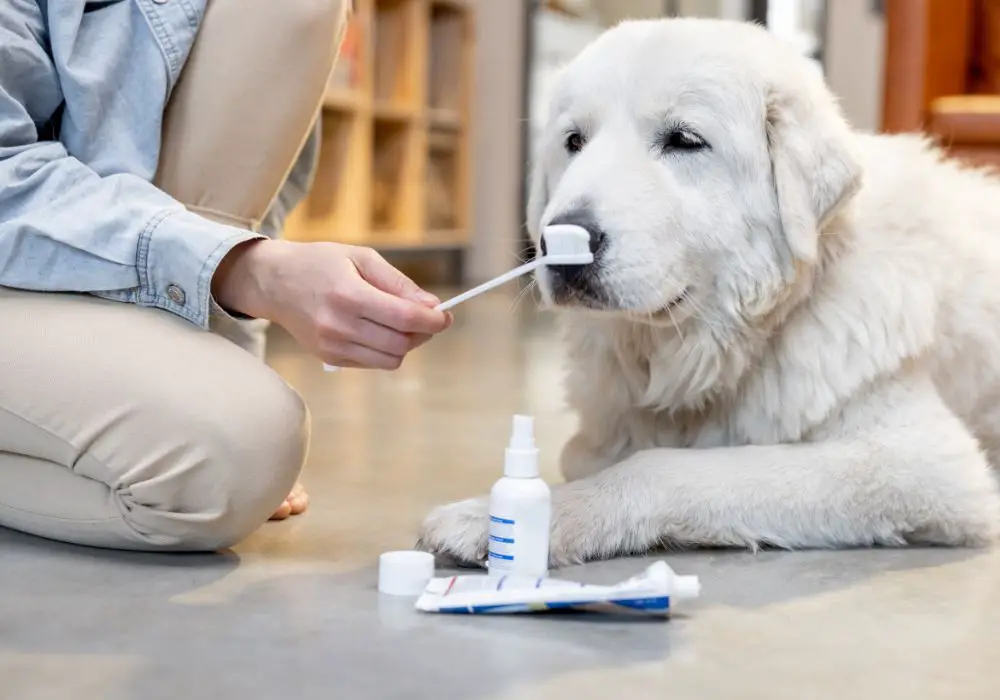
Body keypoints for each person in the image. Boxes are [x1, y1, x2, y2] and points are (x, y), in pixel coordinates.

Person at [0, 1, 451, 551]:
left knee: (240, 445)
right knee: (228, 464)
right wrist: (246, 269)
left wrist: (228, 337)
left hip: (85, 265)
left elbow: (253, 188)